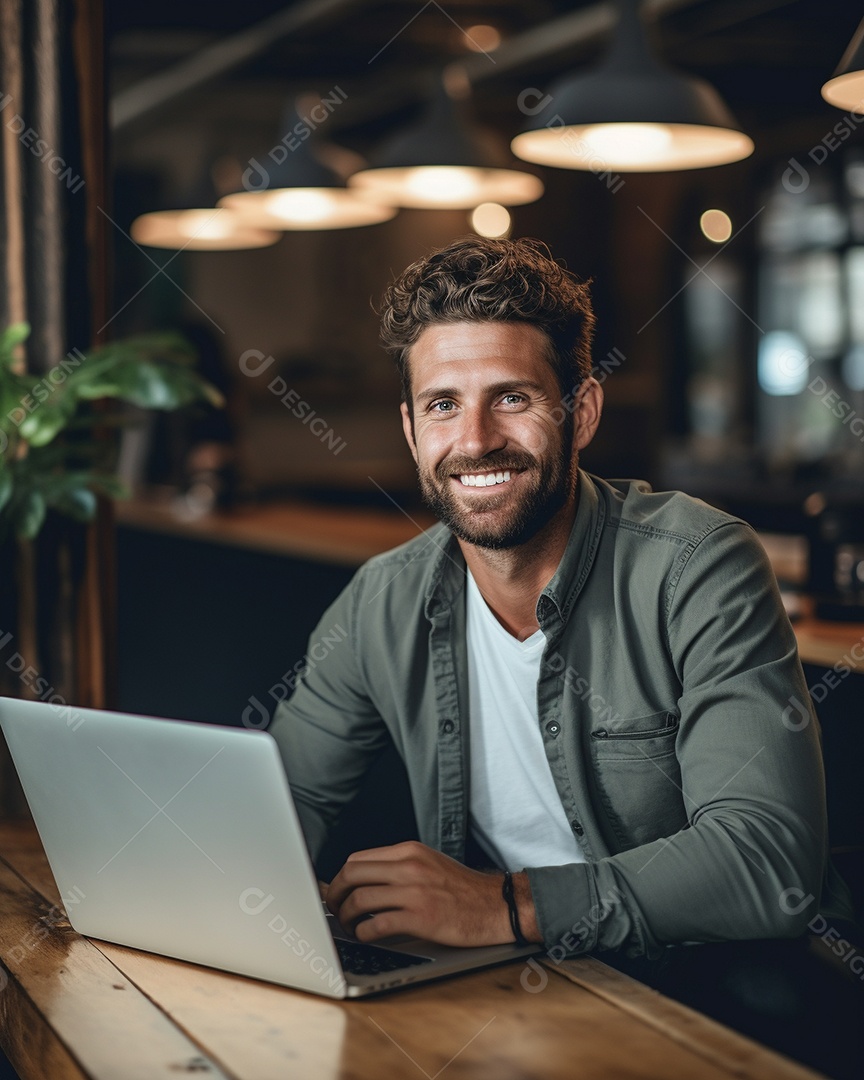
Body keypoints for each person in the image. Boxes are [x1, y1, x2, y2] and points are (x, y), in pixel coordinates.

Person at [268, 236, 859, 1071]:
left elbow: (767, 861)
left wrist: (503, 907)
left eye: (510, 397)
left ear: (579, 412)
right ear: (409, 429)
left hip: (711, 998)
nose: (474, 440)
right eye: (442, 404)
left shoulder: (698, 564)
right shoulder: (385, 597)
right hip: (511, 998)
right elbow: (278, 798)